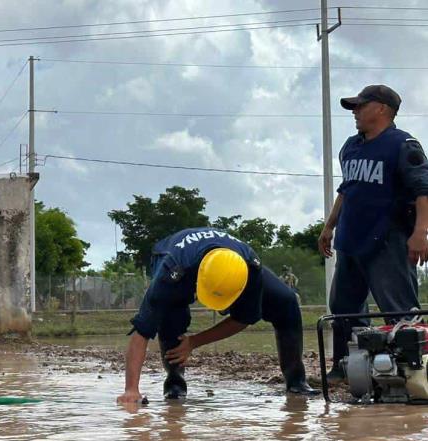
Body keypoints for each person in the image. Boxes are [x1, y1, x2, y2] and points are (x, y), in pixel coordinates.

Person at [116, 228, 316, 404]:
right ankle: (175, 383)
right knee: (171, 317)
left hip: (229, 261)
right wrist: (131, 389)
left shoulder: (250, 266)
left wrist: (194, 342)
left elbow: (244, 318)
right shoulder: (171, 272)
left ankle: (296, 381)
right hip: (175, 258)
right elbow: (141, 331)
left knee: (286, 302)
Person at [318, 85, 428, 380]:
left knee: (401, 311)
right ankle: (347, 368)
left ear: (381, 109)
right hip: (351, 238)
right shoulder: (351, 146)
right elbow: (347, 189)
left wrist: (420, 233)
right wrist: (329, 226)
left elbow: (423, 190)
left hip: (388, 239)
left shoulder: (403, 145)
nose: (355, 111)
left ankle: (411, 373)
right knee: (343, 310)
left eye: (360, 106)